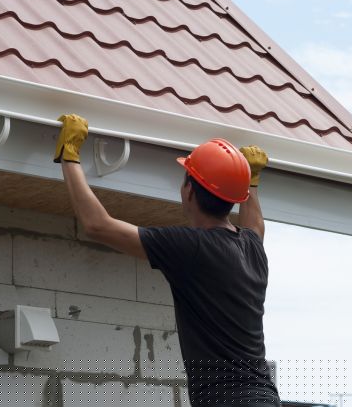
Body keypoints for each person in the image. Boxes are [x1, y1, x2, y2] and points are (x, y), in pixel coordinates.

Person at [55, 113, 281, 407]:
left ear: (189, 190)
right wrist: (250, 181)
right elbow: (255, 224)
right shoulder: (252, 247)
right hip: (264, 397)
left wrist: (69, 155)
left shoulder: (192, 248)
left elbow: (98, 225)